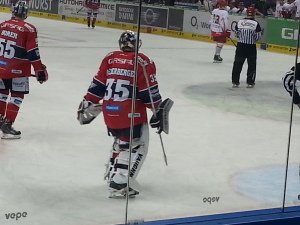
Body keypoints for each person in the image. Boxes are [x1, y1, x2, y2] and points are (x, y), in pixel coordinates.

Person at [77, 30, 172, 198]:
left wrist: (87, 101)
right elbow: (148, 92)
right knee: (136, 145)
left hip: (109, 111)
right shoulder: (143, 61)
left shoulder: (110, 58)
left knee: (120, 141)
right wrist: (157, 110)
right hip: (130, 113)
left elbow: (97, 85)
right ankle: (120, 181)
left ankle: (112, 172)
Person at [0, 1, 48, 139]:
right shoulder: (29, 28)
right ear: (25, 14)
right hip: (18, 70)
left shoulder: (2, 25)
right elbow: (33, 52)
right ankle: (7, 125)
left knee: (2, 94)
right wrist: (39, 70)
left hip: (1, 67)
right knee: (17, 96)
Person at [231, 6, 262, 88]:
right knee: (251, 64)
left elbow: (236, 34)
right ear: (254, 13)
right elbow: (258, 37)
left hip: (241, 45)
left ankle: (235, 81)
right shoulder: (256, 24)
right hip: (251, 46)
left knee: (237, 63)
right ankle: (250, 82)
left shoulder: (240, 22)